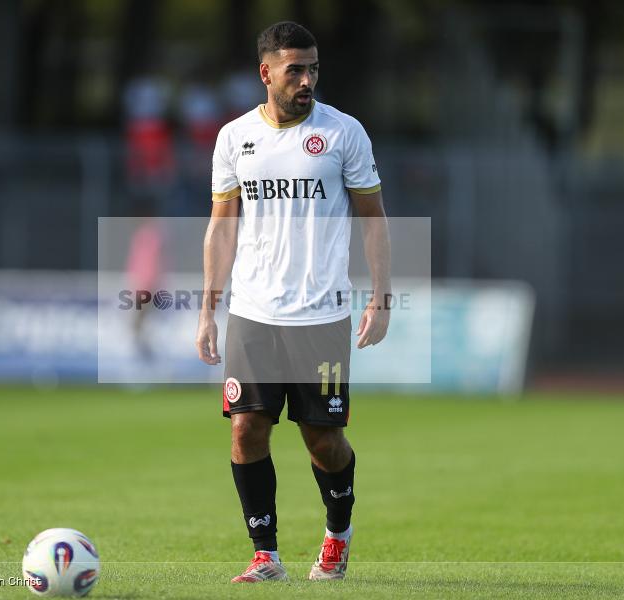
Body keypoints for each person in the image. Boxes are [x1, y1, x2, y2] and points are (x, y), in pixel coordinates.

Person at [195, 21, 391, 583]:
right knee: (245, 428)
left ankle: (338, 534)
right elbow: (221, 228)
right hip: (253, 313)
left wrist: (381, 297)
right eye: (295, 70)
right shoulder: (234, 138)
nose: (307, 80)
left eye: (313, 69)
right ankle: (266, 554)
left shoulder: (344, 133)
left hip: (322, 316)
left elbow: (373, 221)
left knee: (322, 440)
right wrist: (208, 309)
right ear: (266, 73)